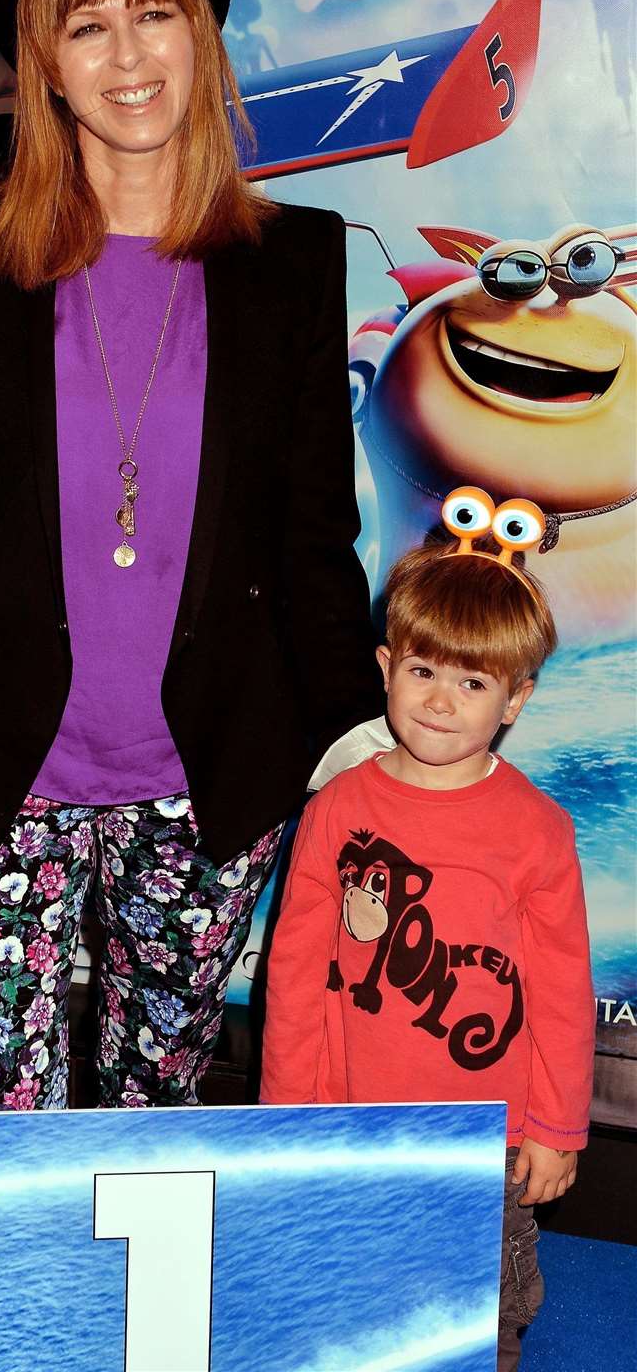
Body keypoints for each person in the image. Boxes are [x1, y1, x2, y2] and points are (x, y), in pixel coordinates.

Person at [0, 0, 381, 1113]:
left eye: (155, 12)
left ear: (203, 35)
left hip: (209, 762)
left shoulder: (293, 263)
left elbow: (316, 534)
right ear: (41, 63)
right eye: (86, 21)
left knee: (151, 1107)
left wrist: (355, 741)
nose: (128, 54)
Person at [260, 491, 595, 1371]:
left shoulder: (538, 829)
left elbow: (561, 993)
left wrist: (557, 1128)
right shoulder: (338, 806)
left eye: (473, 682)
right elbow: (294, 970)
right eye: (423, 671)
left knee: (481, 1314)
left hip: (489, 1132)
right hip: (351, 1113)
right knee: (354, 1295)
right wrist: (287, 1114)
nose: (441, 702)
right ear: (385, 665)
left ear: (516, 699)